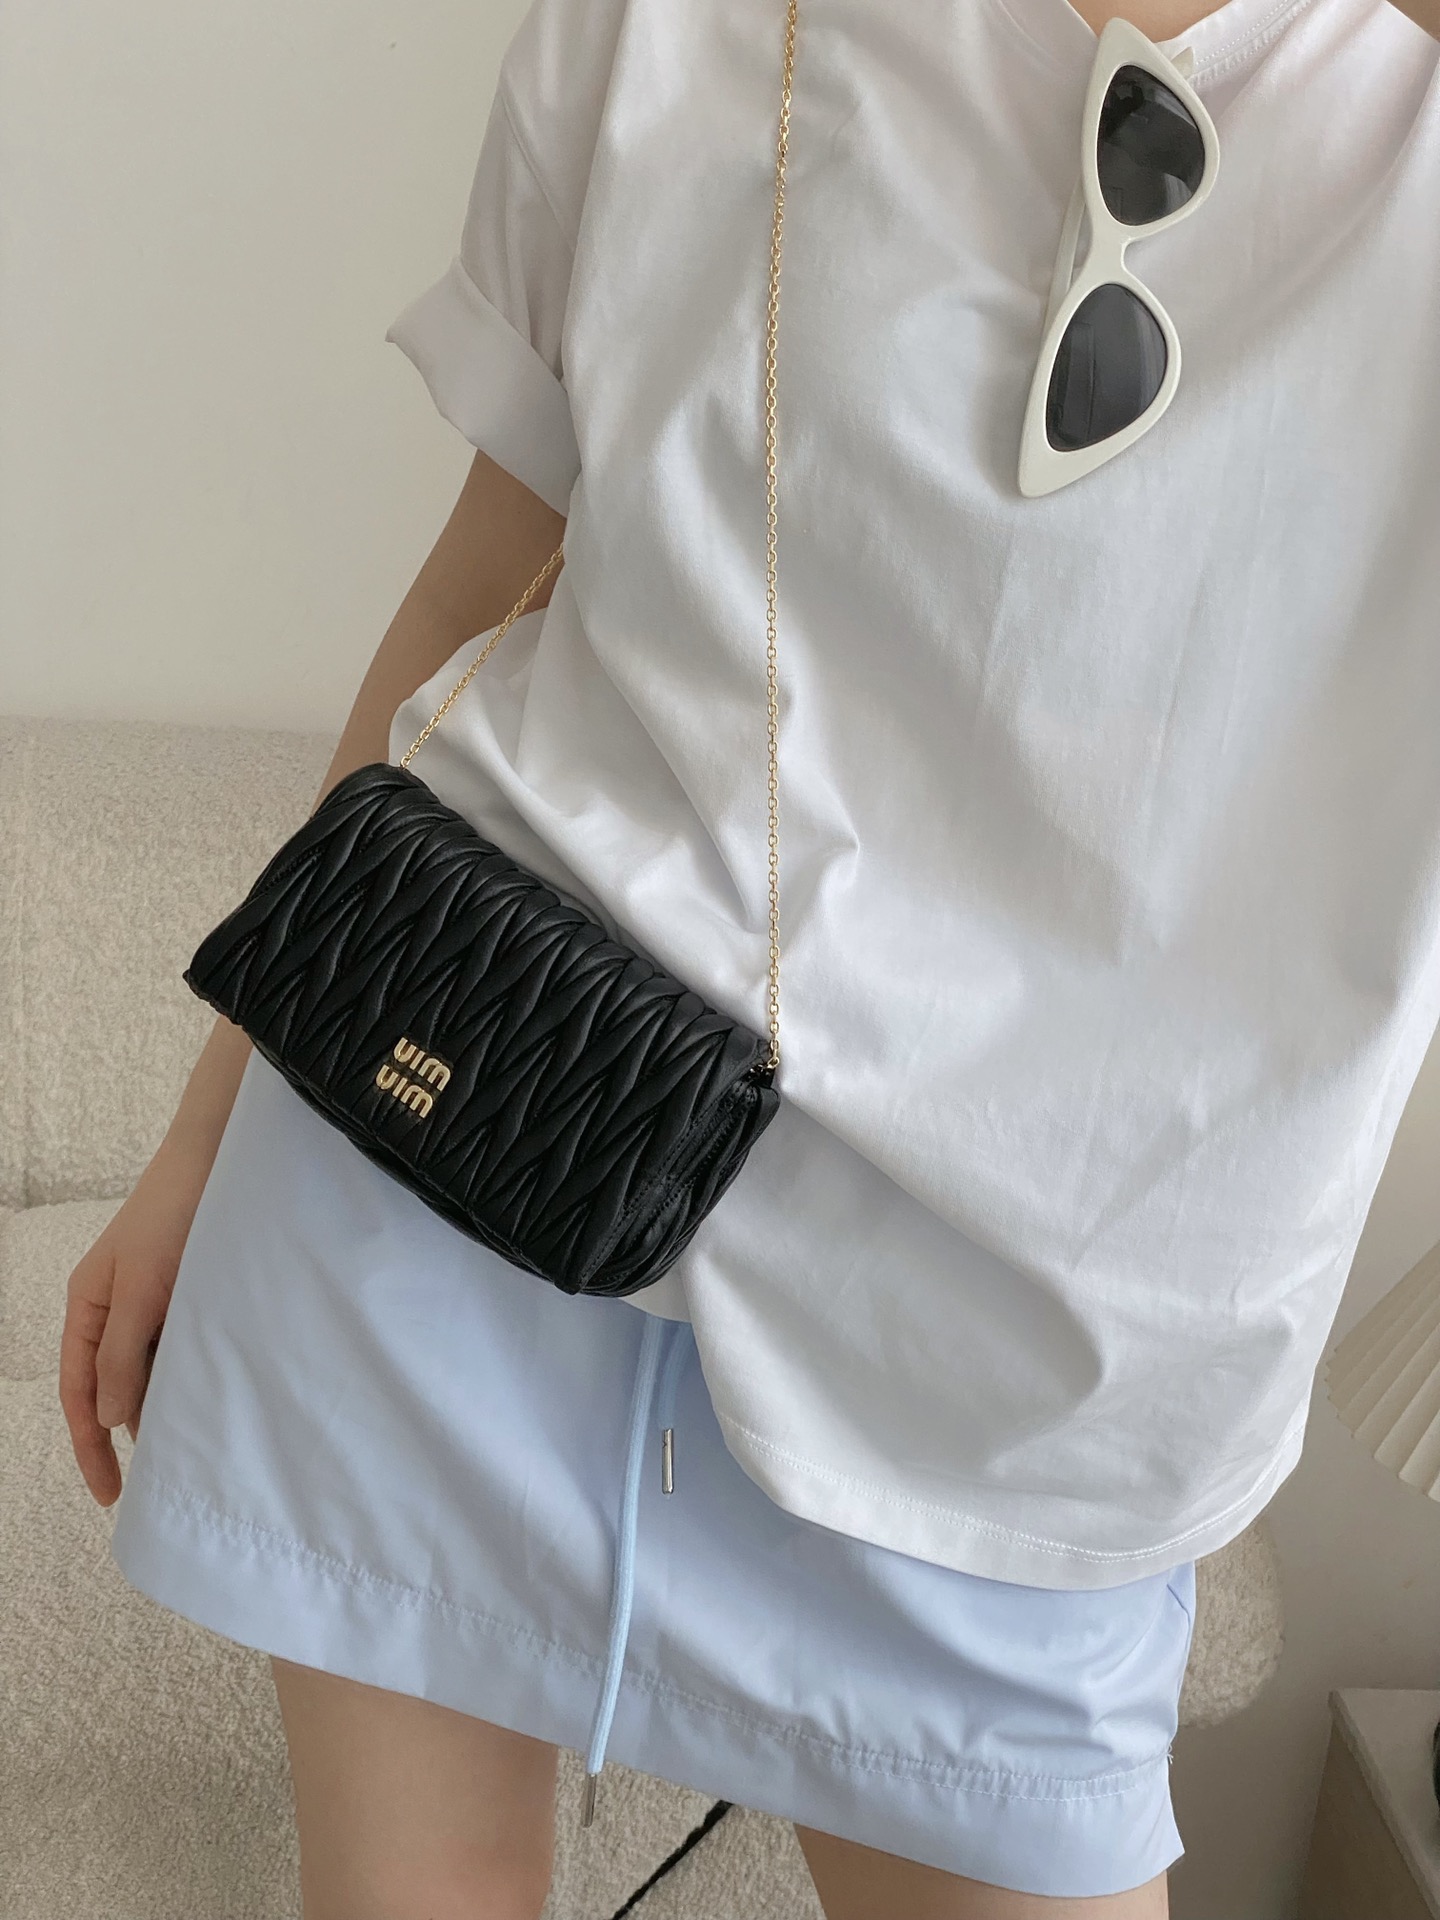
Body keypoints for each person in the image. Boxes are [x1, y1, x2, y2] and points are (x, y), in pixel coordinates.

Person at [59, 0, 1440, 1913]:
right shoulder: (676, 22)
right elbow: (484, 581)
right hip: (456, 1169)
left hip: (1030, 1388)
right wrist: (213, 1121)